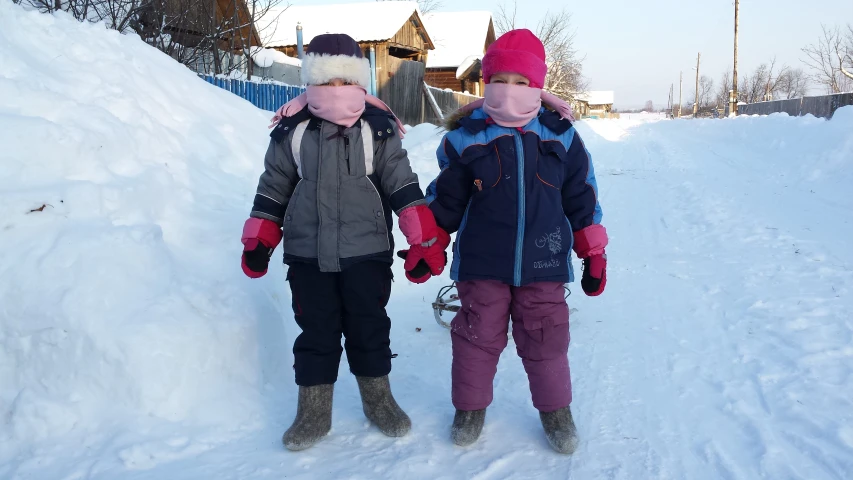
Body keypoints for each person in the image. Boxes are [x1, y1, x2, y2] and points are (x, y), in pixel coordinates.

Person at [240, 33, 448, 451]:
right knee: (316, 331)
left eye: (343, 81)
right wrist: (261, 236)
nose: (335, 91)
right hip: (307, 254)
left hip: (365, 253)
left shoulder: (379, 127)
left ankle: (378, 401)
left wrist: (424, 240)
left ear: (359, 81)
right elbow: (274, 185)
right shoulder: (292, 129)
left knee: (368, 327)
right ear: (311, 82)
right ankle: (313, 411)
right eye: (326, 82)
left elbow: (402, 185)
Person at [425, 29, 608, 454]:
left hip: (544, 259)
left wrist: (592, 250)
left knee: (546, 337)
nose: (511, 90)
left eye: (522, 81)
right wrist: (429, 242)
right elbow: (446, 199)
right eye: (501, 79)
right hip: (481, 261)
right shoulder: (466, 136)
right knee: (476, 336)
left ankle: (556, 412)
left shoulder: (559, 135)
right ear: (486, 82)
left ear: (538, 86)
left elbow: (582, 193)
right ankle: (469, 409)